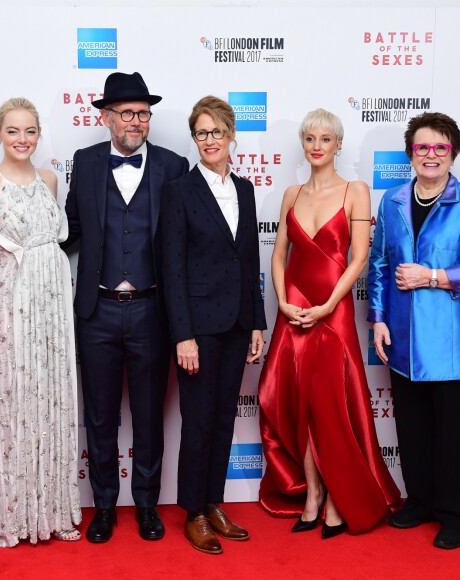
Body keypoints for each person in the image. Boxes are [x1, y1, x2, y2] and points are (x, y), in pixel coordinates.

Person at [258, 108, 401, 539]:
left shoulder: (356, 190)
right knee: (300, 404)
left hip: (332, 313)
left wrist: (327, 305)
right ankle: (313, 495)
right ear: (303, 144)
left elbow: (358, 259)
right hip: (294, 312)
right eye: (310, 138)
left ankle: (340, 500)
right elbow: (279, 256)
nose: (317, 146)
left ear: (338, 144)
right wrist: (283, 303)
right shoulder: (290, 193)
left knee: (332, 407)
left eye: (325, 138)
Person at [60, 72, 189, 543]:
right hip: (97, 311)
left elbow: (184, 239)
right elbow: (69, 229)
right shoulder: (87, 162)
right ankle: (104, 507)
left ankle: (148, 506)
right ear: (106, 117)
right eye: (128, 113)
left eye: (144, 114)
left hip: (153, 311)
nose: (137, 122)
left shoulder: (174, 166)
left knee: (150, 415)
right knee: (99, 415)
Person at [0, 97, 81, 547]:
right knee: (15, 403)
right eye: (13, 131)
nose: (22, 139)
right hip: (12, 308)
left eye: (30, 131)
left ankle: (53, 509)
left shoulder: (50, 179)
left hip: (53, 307)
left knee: (53, 400)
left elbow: (58, 240)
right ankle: (15, 514)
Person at [161, 96, 266, 555]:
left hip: (238, 324)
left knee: (224, 418)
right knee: (198, 421)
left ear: (231, 136)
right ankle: (194, 513)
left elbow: (250, 263)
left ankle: (214, 502)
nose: (209, 140)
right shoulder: (179, 190)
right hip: (199, 329)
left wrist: (258, 323)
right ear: (195, 138)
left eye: (216, 132)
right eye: (201, 133)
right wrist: (183, 334)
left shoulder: (244, 189)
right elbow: (172, 268)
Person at [368, 112, 460, 550]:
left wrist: (436, 276)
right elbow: (380, 264)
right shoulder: (392, 200)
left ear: (452, 153)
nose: (431, 155)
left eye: (440, 147)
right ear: (410, 153)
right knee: (412, 425)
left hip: (450, 339)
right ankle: (419, 500)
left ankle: (454, 513)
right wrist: (379, 319)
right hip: (402, 336)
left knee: (451, 430)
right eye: (422, 147)